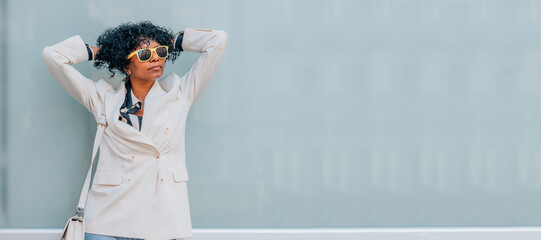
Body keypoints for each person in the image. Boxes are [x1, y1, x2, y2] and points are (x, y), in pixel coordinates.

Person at [42, 21, 228, 240]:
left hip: (161, 221)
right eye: (143, 55)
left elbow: (218, 40)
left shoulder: (180, 94)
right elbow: (52, 56)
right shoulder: (103, 100)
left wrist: (172, 42)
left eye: (159, 52)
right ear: (125, 65)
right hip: (107, 219)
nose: (155, 58)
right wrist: (106, 52)